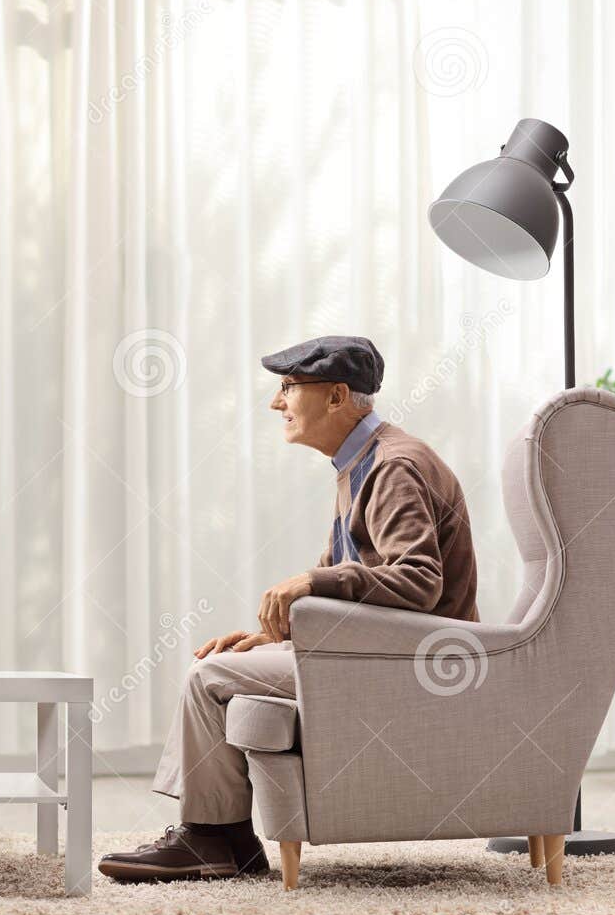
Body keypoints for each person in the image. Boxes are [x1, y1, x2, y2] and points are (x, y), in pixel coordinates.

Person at [98, 336, 479, 882]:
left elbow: (418, 581)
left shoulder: (393, 468)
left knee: (209, 677)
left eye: (288, 387)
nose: (277, 403)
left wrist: (310, 581)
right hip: (384, 651)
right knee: (223, 665)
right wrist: (277, 643)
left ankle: (214, 841)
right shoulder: (362, 463)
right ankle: (223, 839)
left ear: (336, 397)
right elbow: (362, 594)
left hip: (412, 665)